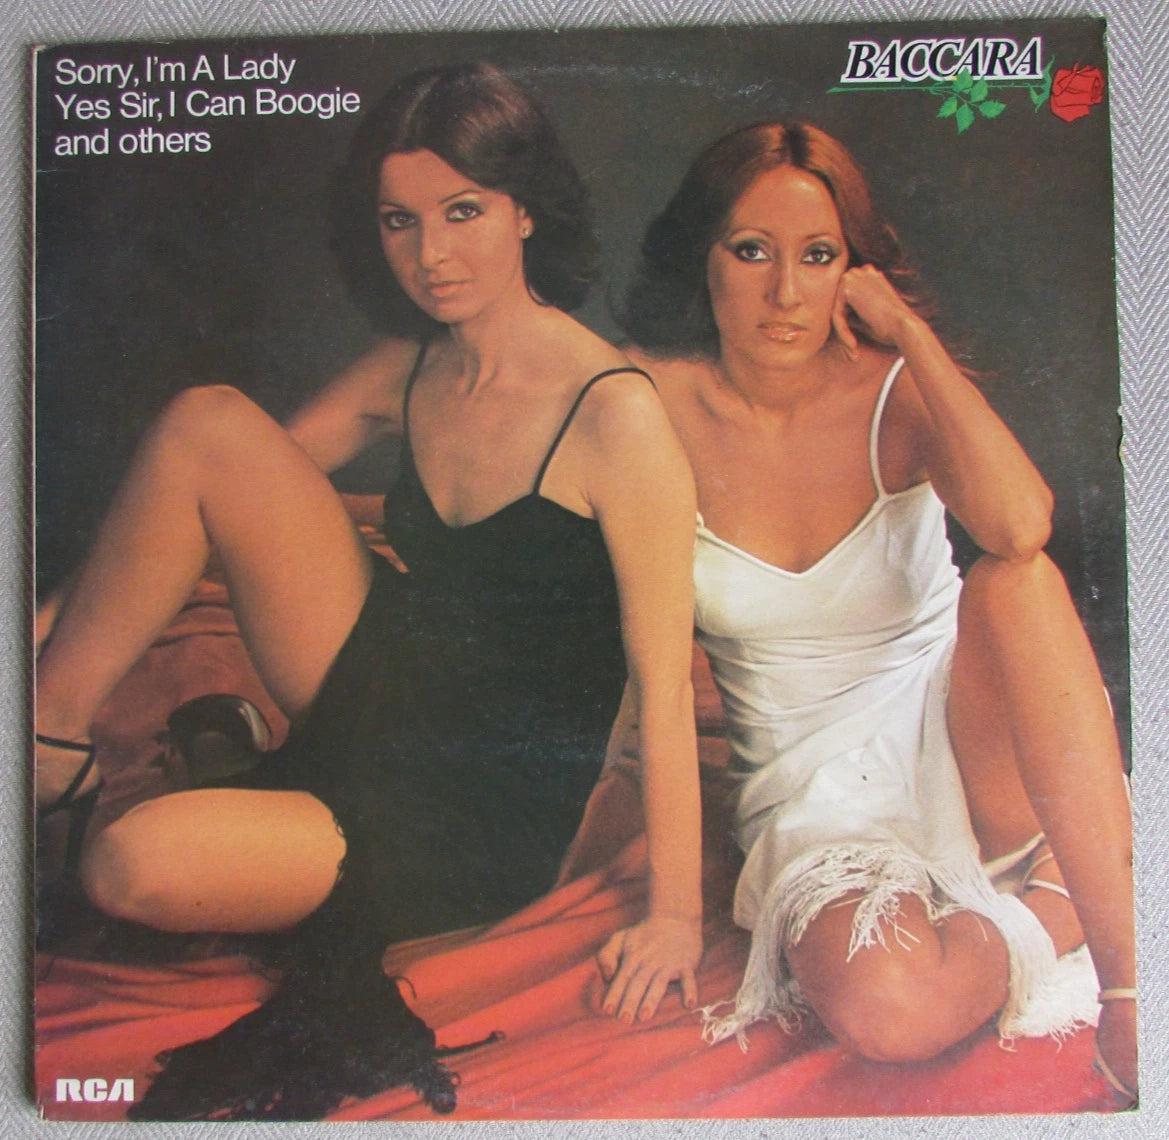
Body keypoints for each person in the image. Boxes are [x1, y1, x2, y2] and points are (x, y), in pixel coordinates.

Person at [34, 62, 702, 1119]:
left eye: (462, 211)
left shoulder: (617, 416)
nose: (430, 255)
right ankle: (44, 741)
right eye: (400, 221)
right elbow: (195, 492)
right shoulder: (411, 363)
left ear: (526, 211)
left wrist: (676, 918)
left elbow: (662, 691)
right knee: (207, 422)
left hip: (472, 805)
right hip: (383, 678)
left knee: (125, 868)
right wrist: (37, 636)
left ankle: (200, 768)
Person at [619, 121, 1136, 1105]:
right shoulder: (646, 401)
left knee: (1016, 576)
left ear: (852, 270)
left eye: (816, 256)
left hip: (966, 740)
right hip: (809, 791)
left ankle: (1127, 991)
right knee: (889, 1014)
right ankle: (1056, 907)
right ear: (701, 255)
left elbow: (1019, 523)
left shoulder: (891, 386)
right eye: (751, 251)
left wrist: (911, 338)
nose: (785, 293)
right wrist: (672, 909)